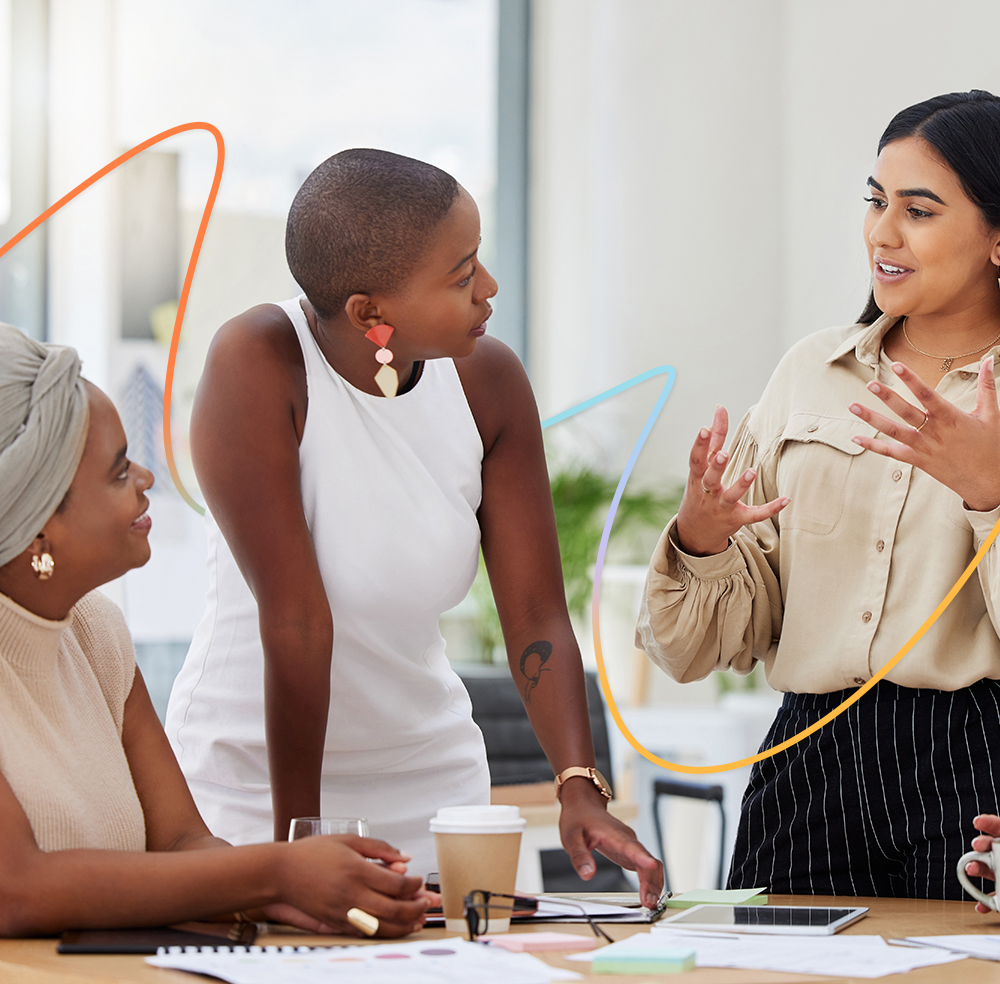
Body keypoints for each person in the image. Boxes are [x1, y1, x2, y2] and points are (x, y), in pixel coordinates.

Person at [164, 149, 663, 906]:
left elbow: (533, 614)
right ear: (371, 313)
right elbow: (297, 621)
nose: (488, 289)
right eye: (463, 275)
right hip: (255, 786)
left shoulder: (488, 381)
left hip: (435, 789)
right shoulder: (260, 361)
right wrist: (298, 845)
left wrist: (577, 786)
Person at [636, 90, 1000, 900]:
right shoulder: (811, 371)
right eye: (875, 201)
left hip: (976, 768)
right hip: (807, 755)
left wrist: (990, 495)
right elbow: (702, 647)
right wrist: (702, 540)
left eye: (920, 210)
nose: (882, 232)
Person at [0, 324, 432, 936]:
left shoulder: (96, 633)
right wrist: (277, 874)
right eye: (119, 472)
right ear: (40, 526)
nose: (147, 479)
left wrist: (293, 895)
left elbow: (181, 842)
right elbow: (15, 890)